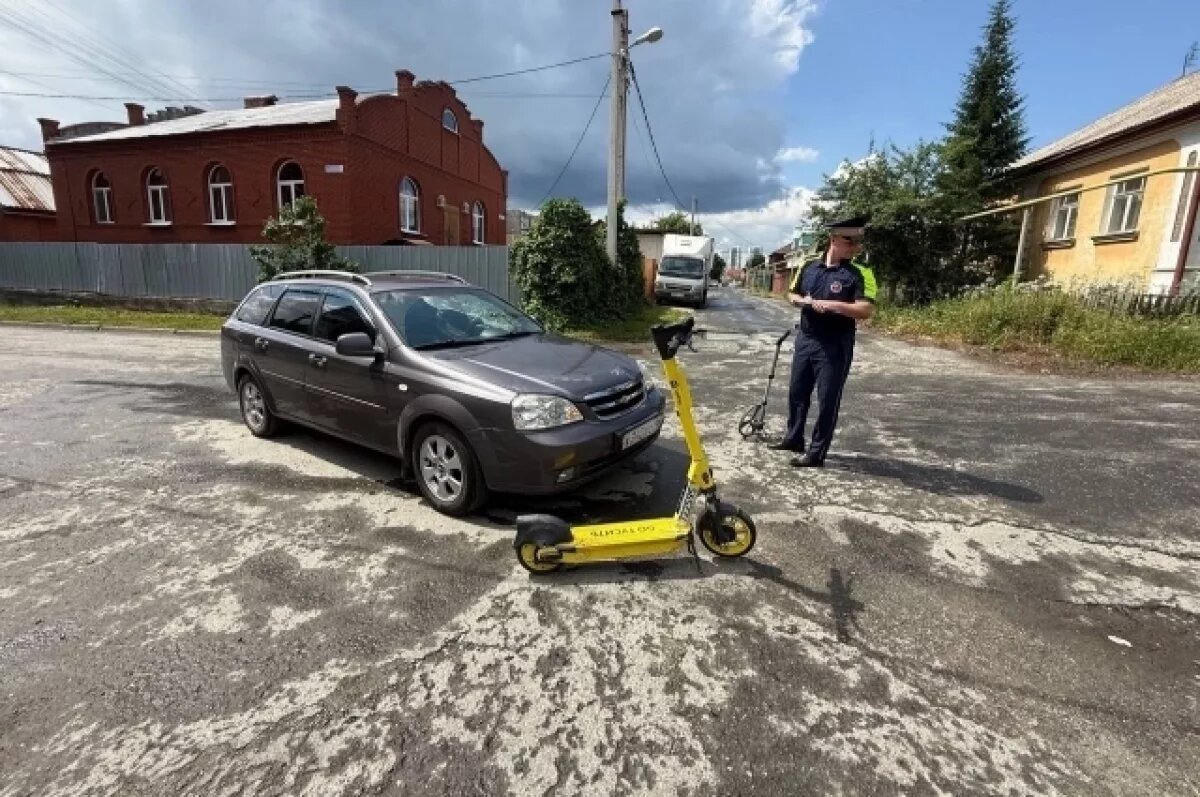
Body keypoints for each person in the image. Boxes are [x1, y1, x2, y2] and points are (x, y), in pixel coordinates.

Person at [771, 215, 877, 467]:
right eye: (849, 241)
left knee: (828, 399)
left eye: (857, 242)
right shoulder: (809, 266)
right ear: (834, 239)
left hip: (835, 344)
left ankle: (816, 453)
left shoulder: (861, 272)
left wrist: (834, 305)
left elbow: (865, 309)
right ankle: (794, 438)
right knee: (797, 392)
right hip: (806, 338)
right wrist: (801, 301)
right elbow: (792, 293)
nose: (855, 247)